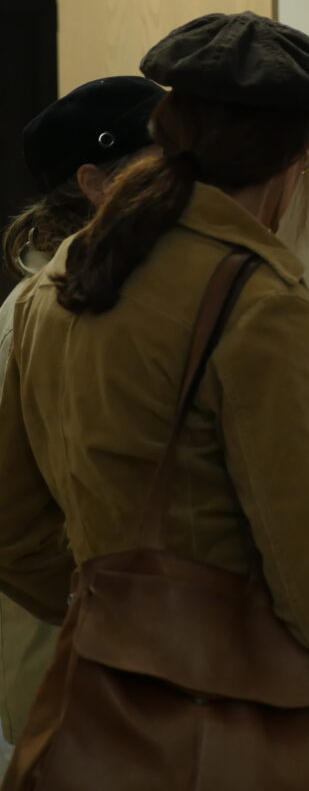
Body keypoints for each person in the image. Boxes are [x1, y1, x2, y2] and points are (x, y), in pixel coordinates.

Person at [0, 13, 309, 789]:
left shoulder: (54, 284)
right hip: (225, 723)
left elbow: (14, 523)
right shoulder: (253, 294)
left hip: (91, 707)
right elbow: (308, 559)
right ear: (295, 155)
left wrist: (116, 615)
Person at [0, 76, 165, 770]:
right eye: (157, 165)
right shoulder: (44, 315)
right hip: (67, 654)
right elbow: (12, 522)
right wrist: (93, 606)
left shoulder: (133, 295)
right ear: (95, 181)